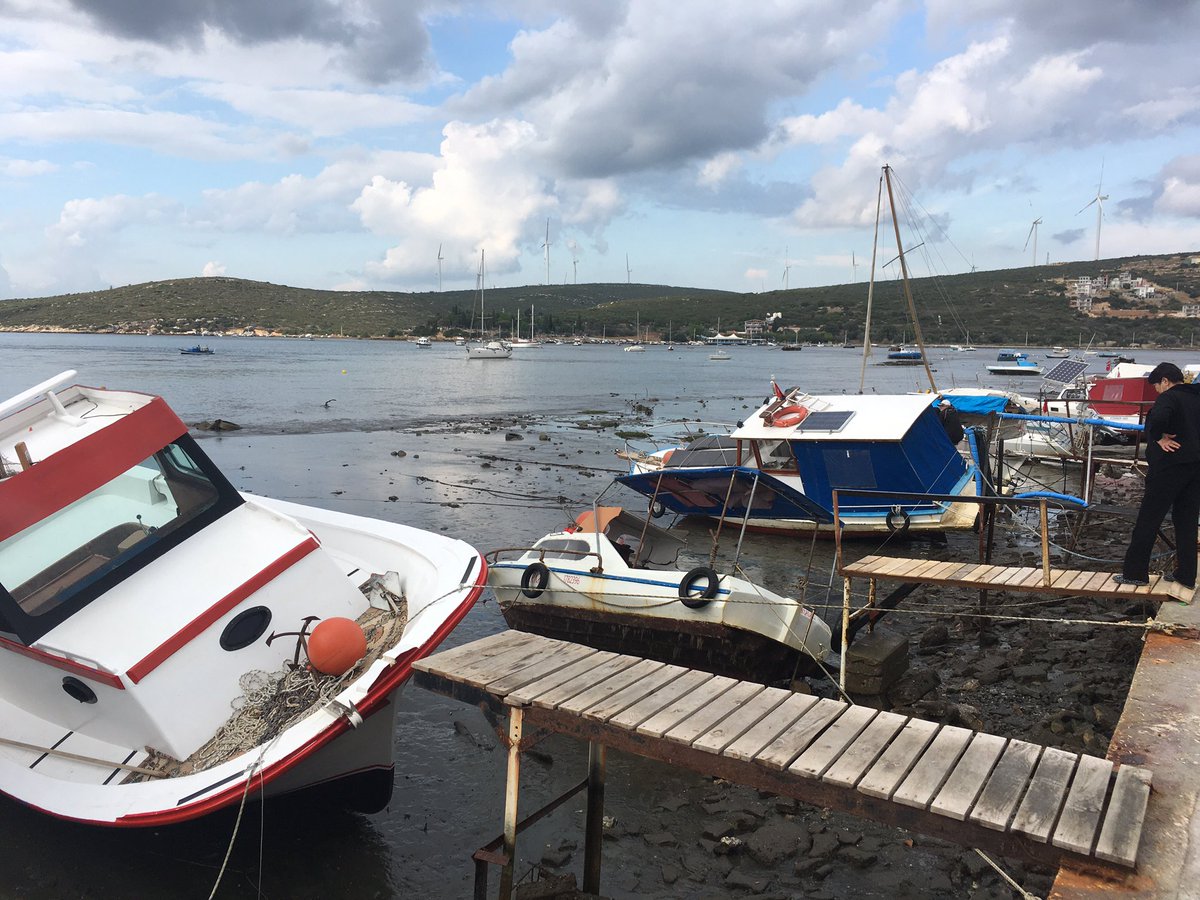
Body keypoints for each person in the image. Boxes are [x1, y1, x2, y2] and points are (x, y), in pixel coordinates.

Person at [1114, 362, 1200, 588]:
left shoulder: (1169, 397)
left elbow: (1160, 417)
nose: (1157, 392)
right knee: (1187, 522)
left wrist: (1158, 436)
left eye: (1157, 386)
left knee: (1149, 519)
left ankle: (1135, 573)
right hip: (1195, 466)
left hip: (1169, 466)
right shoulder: (1196, 396)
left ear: (1165, 381)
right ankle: (1186, 575)